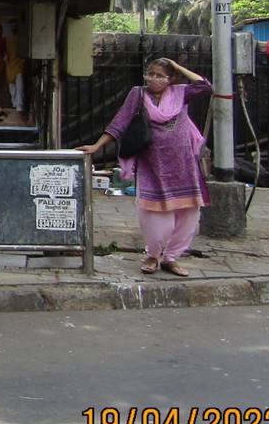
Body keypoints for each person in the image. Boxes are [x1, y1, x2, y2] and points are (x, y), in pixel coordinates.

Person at [79, 57, 212, 276]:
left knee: (188, 215)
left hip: (184, 166)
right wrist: (96, 146)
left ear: (171, 78)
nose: (153, 79)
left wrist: (177, 66)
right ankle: (152, 255)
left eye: (160, 75)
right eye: (150, 74)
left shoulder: (181, 93)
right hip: (153, 166)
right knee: (157, 219)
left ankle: (171, 258)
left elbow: (205, 86)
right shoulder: (138, 94)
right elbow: (119, 123)